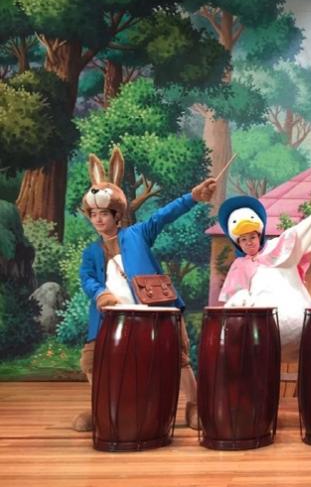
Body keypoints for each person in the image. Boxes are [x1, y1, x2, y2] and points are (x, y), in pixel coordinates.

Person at [73, 148, 216, 432]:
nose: (98, 219)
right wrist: (100, 294)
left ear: (117, 214)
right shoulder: (91, 252)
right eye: (94, 214)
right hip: (111, 317)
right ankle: (102, 405)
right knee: (91, 359)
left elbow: (163, 216)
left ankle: (194, 405)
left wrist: (193, 197)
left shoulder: (137, 234)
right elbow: (87, 277)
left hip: (155, 310)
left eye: (104, 213)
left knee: (178, 357)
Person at [218, 194, 311, 361]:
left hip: (304, 326)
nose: (249, 242)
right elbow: (235, 298)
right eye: (243, 239)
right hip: (264, 333)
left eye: (252, 237)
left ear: (259, 236)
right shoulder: (239, 266)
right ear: (238, 243)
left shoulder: (277, 248)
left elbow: (301, 232)